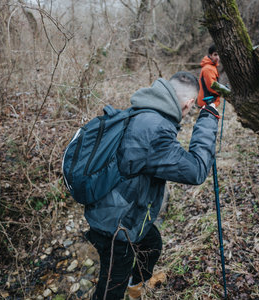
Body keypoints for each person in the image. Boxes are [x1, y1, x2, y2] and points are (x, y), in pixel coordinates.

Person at [85, 71, 220, 300]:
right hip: (115, 225)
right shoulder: (155, 130)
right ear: (187, 104)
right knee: (110, 289)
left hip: (119, 208)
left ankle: (136, 286)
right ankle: (127, 287)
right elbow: (196, 170)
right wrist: (207, 120)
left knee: (152, 244)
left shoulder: (145, 110)